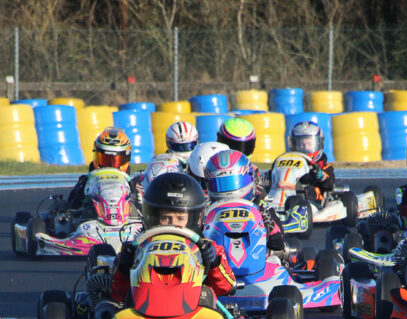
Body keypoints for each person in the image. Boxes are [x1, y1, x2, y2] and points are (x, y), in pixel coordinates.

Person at [110, 172, 236, 304]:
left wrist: (214, 262)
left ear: (194, 218)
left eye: (180, 218)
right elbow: (118, 295)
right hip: (144, 311)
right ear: (153, 217)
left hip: (196, 315)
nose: (173, 224)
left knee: (206, 294)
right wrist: (124, 266)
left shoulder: (207, 248)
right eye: (165, 218)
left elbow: (227, 287)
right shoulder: (137, 249)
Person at [204, 149, 285, 253]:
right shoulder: (206, 212)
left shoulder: (262, 209)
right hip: (218, 261)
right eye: (223, 183)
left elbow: (279, 244)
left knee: (276, 261)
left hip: (257, 260)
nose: (229, 190)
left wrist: (270, 225)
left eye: (231, 182)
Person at [66, 127, 133, 212]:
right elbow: (70, 209)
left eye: (115, 161)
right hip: (92, 217)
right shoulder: (85, 183)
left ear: (126, 158)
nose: (109, 166)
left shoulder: (132, 185)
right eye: (105, 159)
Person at [289, 121, 336, 203]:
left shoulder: (325, 167)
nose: (306, 148)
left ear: (319, 143)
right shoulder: (290, 164)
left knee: (309, 190)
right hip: (288, 193)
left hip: (315, 202)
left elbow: (330, 185)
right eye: (302, 145)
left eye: (309, 144)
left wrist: (322, 177)